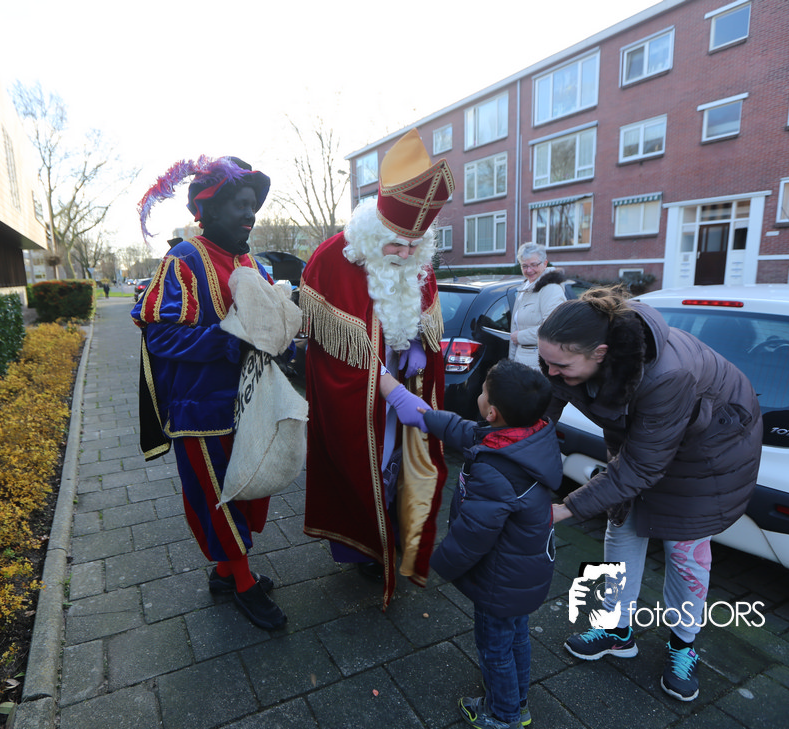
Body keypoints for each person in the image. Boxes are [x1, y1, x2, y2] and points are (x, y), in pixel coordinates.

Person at [539, 286, 762, 702]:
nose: (551, 372)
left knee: (684, 550)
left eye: (561, 365)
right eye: (546, 361)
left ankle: (683, 643)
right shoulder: (566, 354)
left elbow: (641, 467)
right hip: (647, 441)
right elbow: (543, 410)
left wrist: (565, 509)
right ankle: (616, 629)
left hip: (707, 455)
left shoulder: (667, 375)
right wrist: (512, 450)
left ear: (601, 353)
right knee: (621, 525)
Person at [131, 156, 287, 630]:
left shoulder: (250, 262)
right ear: (209, 209)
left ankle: (225, 572)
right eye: (240, 204)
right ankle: (242, 582)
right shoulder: (184, 259)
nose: (250, 214)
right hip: (200, 409)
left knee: (247, 492)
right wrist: (229, 339)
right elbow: (160, 334)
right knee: (220, 497)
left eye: (253, 205)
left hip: (249, 403)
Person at [300, 129, 454, 606]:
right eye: (396, 246)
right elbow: (332, 351)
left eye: (414, 246)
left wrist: (418, 348)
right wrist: (389, 388)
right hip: (360, 397)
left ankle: (396, 535)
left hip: (403, 389)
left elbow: (424, 320)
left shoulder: (417, 263)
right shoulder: (333, 258)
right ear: (375, 233)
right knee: (363, 465)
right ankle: (366, 547)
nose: (406, 255)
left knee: (401, 467)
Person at [386, 358, 560, 729]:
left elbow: (473, 535)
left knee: (494, 647)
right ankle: (517, 701)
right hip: (524, 572)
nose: (477, 394)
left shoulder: (495, 471)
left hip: (499, 581)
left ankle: (503, 714)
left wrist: (438, 562)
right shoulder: (523, 438)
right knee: (516, 638)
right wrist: (425, 415)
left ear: (491, 411)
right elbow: (466, 431)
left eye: (482, 391)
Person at [509, 242, 566, 370]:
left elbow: (554, 329)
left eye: (534, 265)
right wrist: (511, 362)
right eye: (524, 266)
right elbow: (515, 328)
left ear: (545, 264)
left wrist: (520, 337)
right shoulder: (525, 287)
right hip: (521, 363)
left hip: (539, 366)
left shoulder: (551, 289)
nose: (529, 270)